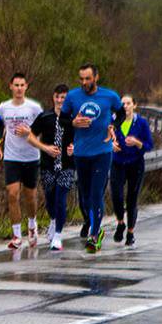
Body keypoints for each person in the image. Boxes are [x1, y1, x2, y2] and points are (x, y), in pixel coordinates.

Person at [60, 63, 124, 254]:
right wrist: (72, 122)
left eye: (87, 79)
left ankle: (94, 235)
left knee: (96, 193)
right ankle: (95, 226)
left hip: (102, 152)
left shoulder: (109, 96)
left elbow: (120, 113)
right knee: (85, 197)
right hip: (81, 153)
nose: (84, 82)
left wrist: (113, 125)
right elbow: (62, 120)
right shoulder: (72, 96)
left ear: (96, 77)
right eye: (81, 79)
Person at [0, 72, 52, 248]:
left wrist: (29, 133)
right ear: (10, 87)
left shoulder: (34, 107)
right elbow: (2, 128)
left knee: (30, 196)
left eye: (22, 85)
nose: (19, 88)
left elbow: (43, 129)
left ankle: (32, 223)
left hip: (31, 156)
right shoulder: (3, 107)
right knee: (12, 194)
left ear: (26, 87)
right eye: (16, 85)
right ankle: (16, 235)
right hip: (11, 157)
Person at [31, 84, 73, 251]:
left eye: (64, 97)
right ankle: (53, 220)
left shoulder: (72, 118)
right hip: (48, 165)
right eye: (58, 97)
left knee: (61, 198)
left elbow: (82, 138)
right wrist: (44, 148)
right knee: (50, 198)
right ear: (53, 97)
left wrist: (74, 147)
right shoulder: (45, 116)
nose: (60, 100)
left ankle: (57, 235)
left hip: (67, 165)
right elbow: (30, 136)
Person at [110, 94, 153, 246]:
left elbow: (149, 145)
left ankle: (130, 233)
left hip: (136, 164)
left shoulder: (141, 123)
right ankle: (121, 222)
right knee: (116, 195)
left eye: (128, 103)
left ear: (134, 105)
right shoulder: (113, 121)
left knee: (132, 199)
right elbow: (103, 138)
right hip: (117, 163)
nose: (125, 106)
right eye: (123, 104)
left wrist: (136, 142)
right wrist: (110, 146)